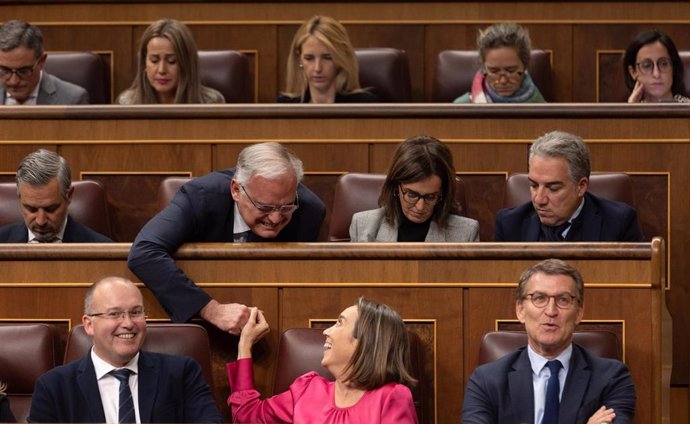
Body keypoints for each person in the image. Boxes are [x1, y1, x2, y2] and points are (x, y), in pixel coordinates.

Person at [461, 259, 635, 424]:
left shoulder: (612, 377)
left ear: (579, 312)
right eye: (539, 298)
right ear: (520, 310)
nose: (551, 311)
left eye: (563, 300)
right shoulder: (486, 380)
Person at [128, 142, 326, 333]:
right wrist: (211, 310)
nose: (275, 218)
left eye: (286, 207)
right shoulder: (200, 197)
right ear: (236, 190)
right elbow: (144, 252)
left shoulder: (309, 211)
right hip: (202, 328)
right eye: (264, 207)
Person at [28, 276, 221, 423]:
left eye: (136, 312)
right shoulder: (54, 387)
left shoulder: (181, 374)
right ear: (89, 325)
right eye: (115, 314)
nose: (128, 323)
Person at [227, 298, 418, 424]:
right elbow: (246, 417)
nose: (326, 331)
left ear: (365, 341)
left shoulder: (392, 397)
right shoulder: (307, 389)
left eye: (340, 323)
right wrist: (245, 344)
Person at [494, 131, 644, 241]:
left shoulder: (618, 222)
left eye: (553, 188)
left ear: (581, 186)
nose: (539, 200)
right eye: (533, 185)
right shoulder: (509, 224)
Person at [349, 135, 480, 242]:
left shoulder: (466, 233)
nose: (420, 207)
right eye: (412, 195)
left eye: (431, 197)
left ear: (443, 194)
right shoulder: (363, 226)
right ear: (396, 187)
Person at [0, 149, 112, 243]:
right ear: (19, 198)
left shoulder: (102, 248)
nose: (41, 221)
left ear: (69, 196)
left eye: (51, 209)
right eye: (31, 209)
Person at [117, 18, 224, 104]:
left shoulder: (211, 103)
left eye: (171, 61)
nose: (162, 70)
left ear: (186, 63)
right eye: (154, 60)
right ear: (144, 63)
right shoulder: (127, 103)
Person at [278, 15, 377, 104]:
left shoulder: (363, 104)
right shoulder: (286, 105)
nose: (317, 68)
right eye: (309, 58)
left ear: (341, 58)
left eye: (327, 58)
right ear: (300, 60)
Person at [0, 19, 88, 105]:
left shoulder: (73, 99)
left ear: (42, 61)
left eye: (23, 71)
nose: (14, 81)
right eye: (5, 71)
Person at [454, 23, 545, 104]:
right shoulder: (461, 107)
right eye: (494, 71)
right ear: (484, 68)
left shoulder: (543, 108)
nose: (503, 81)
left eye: (511, 71)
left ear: (525, 66)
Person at [624, 30, 690, 103]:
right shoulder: (625, 111)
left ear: (673, 68)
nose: (656, 74)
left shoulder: (687, 107)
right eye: (647, 66)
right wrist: (631, 110)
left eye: (664, 64)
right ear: (633, 72)